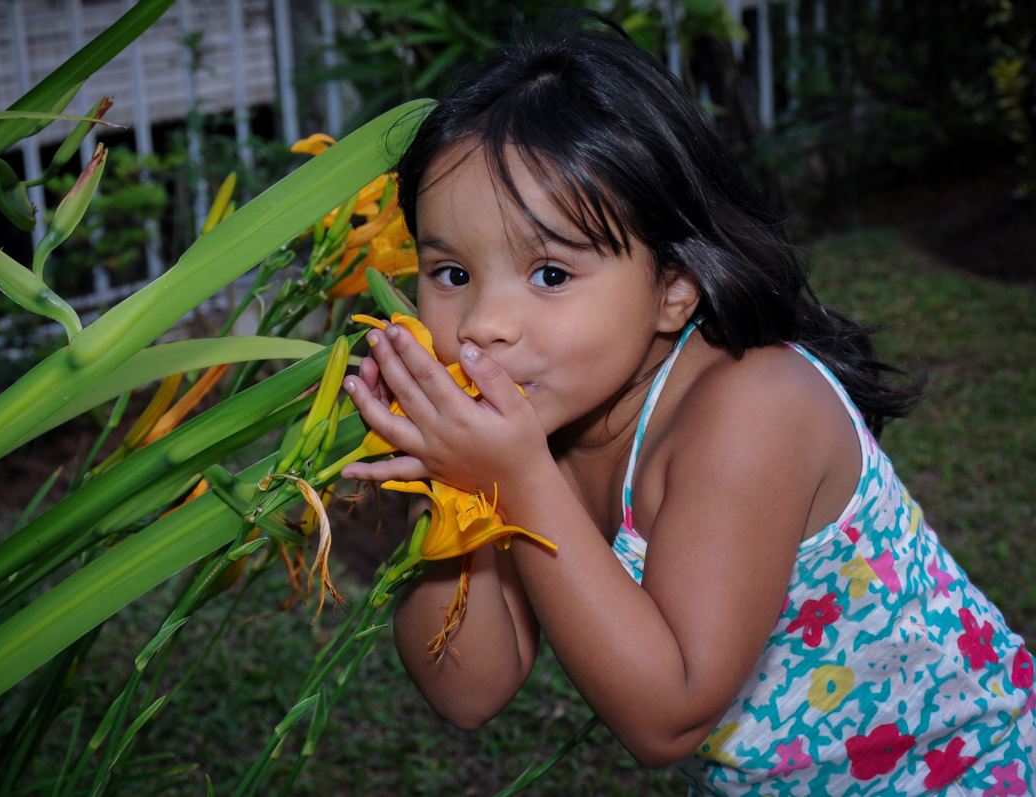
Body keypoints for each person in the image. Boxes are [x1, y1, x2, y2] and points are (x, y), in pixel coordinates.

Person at [337, 13, 1035, 795]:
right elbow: (468, 689)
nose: (483, 325)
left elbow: (668, 715)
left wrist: (519, 479)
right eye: (452, 274)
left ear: (674, 288)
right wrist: (457, 486)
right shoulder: (543, 429)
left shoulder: (755, 406)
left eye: (552, 274)